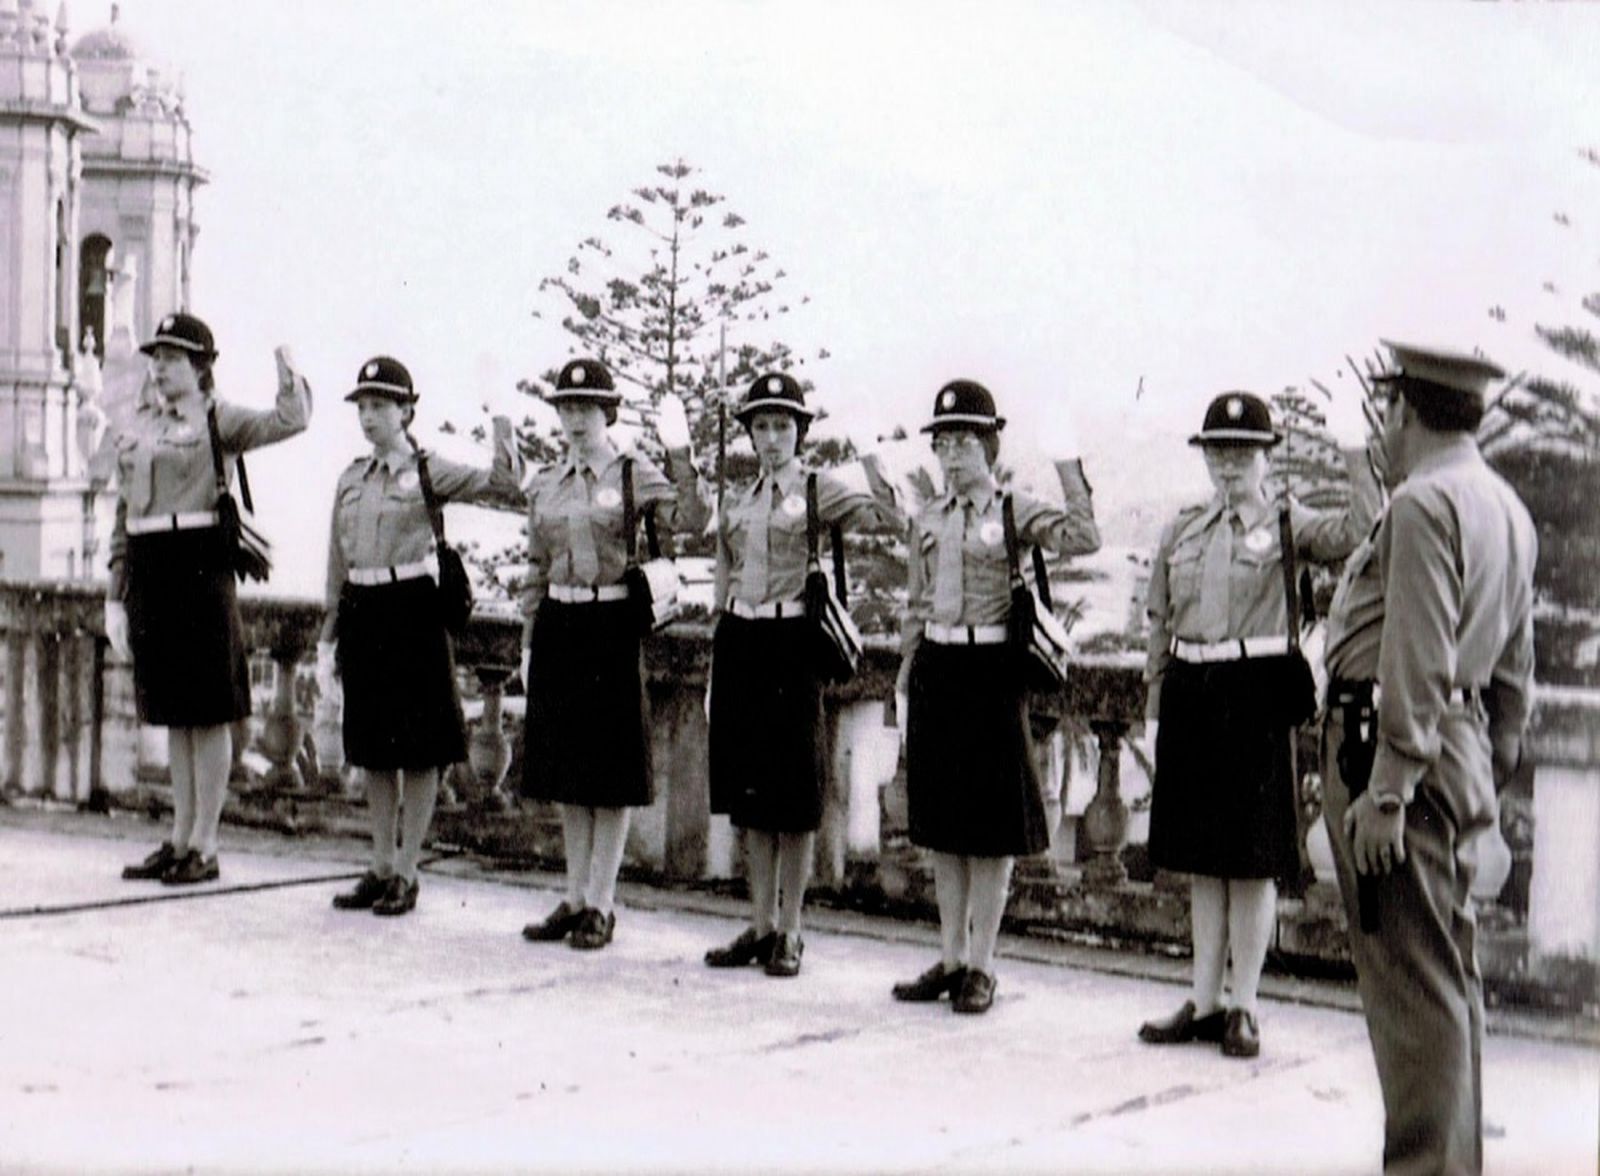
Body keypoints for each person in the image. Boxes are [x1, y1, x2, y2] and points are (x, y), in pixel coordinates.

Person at [1326, 342, 1535, 1175]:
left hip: (1398, 756)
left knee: (1412, 993)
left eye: (1385, 408)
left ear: (1402, 409)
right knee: (1448, 983)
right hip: (1458, 752)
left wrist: (1387, 789)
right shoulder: (1502, 504)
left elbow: (1413, 651)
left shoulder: (1422, 502)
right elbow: (1516, 662)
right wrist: (1490, 755)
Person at [1138, 390, 1377, 1057]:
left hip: (1255, 692)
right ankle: (1204, 998)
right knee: (1201, 863)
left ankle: (1244, 1005)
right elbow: (1159, 623)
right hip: (1190, 690)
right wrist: (1155, 710)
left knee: (1251, 861)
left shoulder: (1287, 521)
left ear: (1266, 456)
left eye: (1243, 451)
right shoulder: (1182, 528)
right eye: (1219, 451)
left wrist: (1355, 450)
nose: (1230, 463)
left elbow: (1364, 529)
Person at [891, 379, 1100, 1013]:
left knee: (992, 829)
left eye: (964, 443)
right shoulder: (927, 517)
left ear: (989, 446)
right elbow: (917, 601)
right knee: (945, 826)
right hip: (938, 667)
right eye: (943, 443)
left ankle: (983, 964)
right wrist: (905, 672)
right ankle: (951, 957)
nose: (952, 456)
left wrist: (1068, 465)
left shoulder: (1013, 511)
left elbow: (1084, 537)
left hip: (991, 672)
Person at [702, 372, 903, 977]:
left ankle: (792, 929)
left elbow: (892, 516)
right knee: (752, 797)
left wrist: (870, 453)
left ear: (800, 432)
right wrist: (718, 661)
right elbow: (723, 578)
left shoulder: (820, 490)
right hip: (742, 639)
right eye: (761, 426)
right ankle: (760, 924)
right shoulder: (736, 499)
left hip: (793, 644)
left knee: (796, 793)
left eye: (782, 426)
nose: (770, 438)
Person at [109, 313, 311, 885]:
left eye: (172, 358)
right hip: (151, 568)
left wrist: (285, 365)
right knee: (175, 713)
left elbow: (290, 420)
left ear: (200, 367)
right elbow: (124, 515)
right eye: (157, 358)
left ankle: (206, 842)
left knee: (209, 710)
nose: (160, 368)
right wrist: (114, 594)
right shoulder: (142, 427)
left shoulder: (220, 418)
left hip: (200, 565)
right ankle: (179, 838)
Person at [320, 356, 522, 917]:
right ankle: (380, 864)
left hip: (412, 609)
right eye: (362, 406)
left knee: (419, 751)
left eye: (380, 405)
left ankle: (408, 870)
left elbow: (504, 483)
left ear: (407, 411)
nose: (369, 416)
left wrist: (499, 416)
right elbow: (336, 563)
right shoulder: (350, 478)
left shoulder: (430, 470)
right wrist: (326, 638)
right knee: (374, 749)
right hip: (364, 608)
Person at [519, 359, 706, 949]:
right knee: (569, 771)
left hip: (609, 622)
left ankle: (602, 900)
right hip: (559, 620)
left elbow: (693, 518)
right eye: (567, 408)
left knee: (610, 770)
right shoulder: (547, 480)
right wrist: (528, 637)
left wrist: (681, 453)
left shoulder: (631, 474)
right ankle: (574, 896)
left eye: (587, 408)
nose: (575, 419)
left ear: (608, 413)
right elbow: (535, 563)